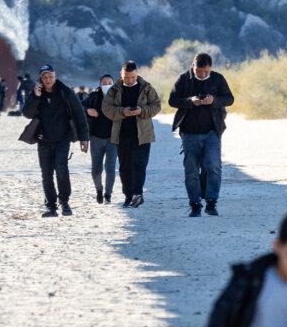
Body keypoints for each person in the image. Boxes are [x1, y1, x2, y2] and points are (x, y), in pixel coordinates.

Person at [168, 52, 234, 217]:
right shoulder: (184, 79)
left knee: (213, 166)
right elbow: (172, 100)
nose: (203, 74)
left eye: (206, 71)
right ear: (193, 66)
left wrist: (214, 100)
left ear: (210, 68)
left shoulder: (218, 78)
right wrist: (190, 101)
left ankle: (211, 203)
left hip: (213, 132)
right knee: (191, 169)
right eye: (199, 71)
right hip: (189, 133)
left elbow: (230, 99)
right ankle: (195, 204)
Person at [21, 64, 89, 217]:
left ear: (55, 76)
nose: (48, 79)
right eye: (44, 77)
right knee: (46, 173)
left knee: (61, 168)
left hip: (62, 138)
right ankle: (51, 207)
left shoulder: (65, 92)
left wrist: (84, 138)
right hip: (43, 139)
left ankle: (64, 202)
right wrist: (36, 96)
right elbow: (27, 113)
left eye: (50, 76)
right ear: (40, 79)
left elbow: (79, 114)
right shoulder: (36, 93)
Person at [102, 61, 161, 208]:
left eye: (133, 77)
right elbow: (106, 108)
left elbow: (156, 106)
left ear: (137, 74)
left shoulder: (146, 87)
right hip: (122, 134)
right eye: (126, 77)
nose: (130, 80)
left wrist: (142, 110)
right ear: (121, 75)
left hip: (143, 135)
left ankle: (137, 194)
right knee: (124, 167)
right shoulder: (114, 90)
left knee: (140, 165)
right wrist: (123, 111)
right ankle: (128, 196)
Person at [83, 74, 118, 204]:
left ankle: (108, 194)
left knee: (110, 167)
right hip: (96, 138)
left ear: (113, 84)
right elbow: (79, 107)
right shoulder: (93, 96)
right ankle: (99, 190)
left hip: (113, 139)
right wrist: (87, 110)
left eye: (109, 82)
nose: (107, 84)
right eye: (104, 83)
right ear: (100, 84)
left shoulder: (118, 97)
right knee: (96, 169)